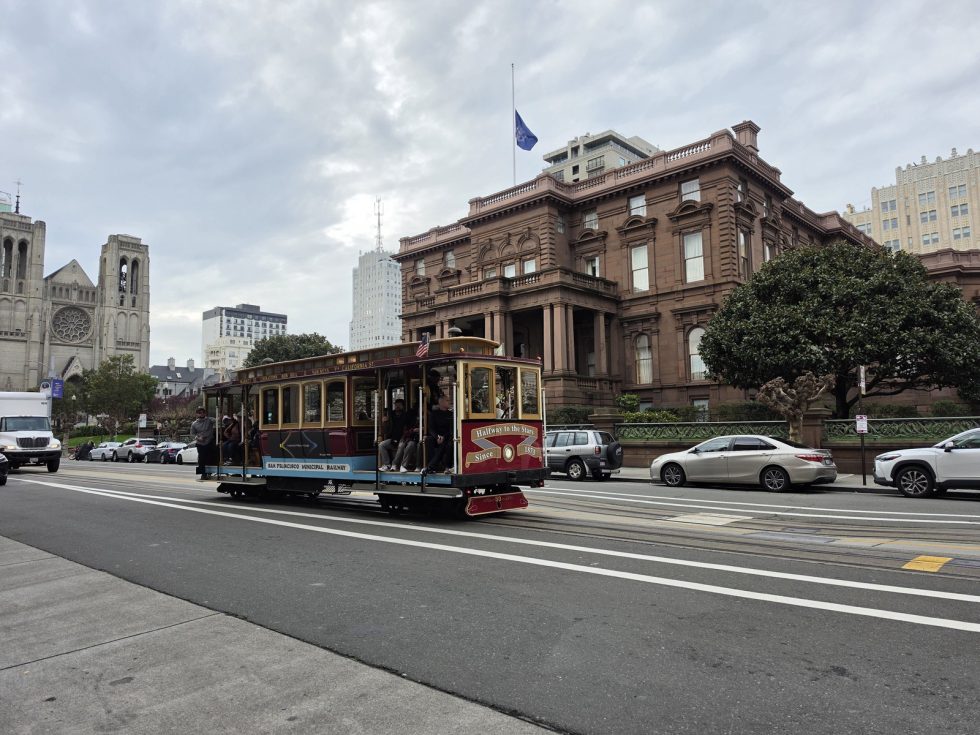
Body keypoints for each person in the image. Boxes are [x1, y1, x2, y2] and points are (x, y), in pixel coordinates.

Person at [424, 393, 453, 474]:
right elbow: (431, 428)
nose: (449, 402)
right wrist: (437, 436)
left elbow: (451, 429)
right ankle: (431, 465)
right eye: (447, 400)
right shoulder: (434, 414)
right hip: (436, 436)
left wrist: (443, 437)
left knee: (448, 444)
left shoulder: (451, 414)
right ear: (441, 403)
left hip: (447, 436)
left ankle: (444, 467)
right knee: (428, 440)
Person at [378, 399, 410, 471]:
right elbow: (385, 431)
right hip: (393, 439)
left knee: (401, 445)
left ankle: (395, 464)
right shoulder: (391, 415)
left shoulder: (406, 416)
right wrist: (385, 422)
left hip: (403, 438)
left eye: (399, 405)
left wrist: (404, 437)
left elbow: (407, 429)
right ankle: (387, 464)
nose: (397, 407)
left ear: (403, 406)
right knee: (381, 445)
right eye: (396, 405)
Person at [190, 406, 216, 479]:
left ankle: (210, 471)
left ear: (205, 413)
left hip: (209, 442)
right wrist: (198, 438)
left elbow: (217, 420)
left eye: (203, 412)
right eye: (199, 413)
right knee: (201, 458)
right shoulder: (194, 424)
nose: (201, 414)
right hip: (200, 443)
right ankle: (203, 474)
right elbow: (192, 434)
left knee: (210, 456)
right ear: (197, 414)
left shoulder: (209, 420)